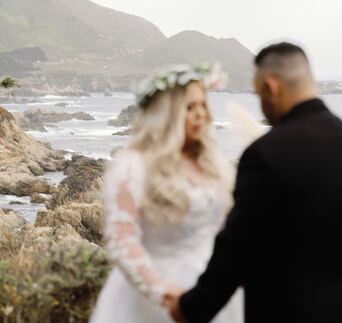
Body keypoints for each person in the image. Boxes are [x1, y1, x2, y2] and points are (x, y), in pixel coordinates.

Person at [168, 42, 342, 323]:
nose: (263, 106)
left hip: (289, 312)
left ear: (271, 86)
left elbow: (237, 247)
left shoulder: (265, 153)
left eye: (259, 95)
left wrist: (192, 308)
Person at [89, 63, 243, 323]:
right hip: (159, 295)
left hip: (213, 293)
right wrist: (161, 291)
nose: (200, 114)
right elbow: (122, 237)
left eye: (203, 105)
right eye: (190, 107)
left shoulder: (211, 165)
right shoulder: (134, 166)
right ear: (166, 114)